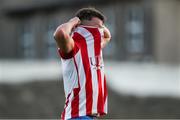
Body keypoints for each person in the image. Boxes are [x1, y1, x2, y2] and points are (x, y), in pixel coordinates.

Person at [54, 7, 111, 120]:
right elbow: (60, 34)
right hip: (77, 116)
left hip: (90, 116)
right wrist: (73, 22)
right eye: (97, 29)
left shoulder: (94, 48)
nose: (100, 32)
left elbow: (107, 37)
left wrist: (102, 27)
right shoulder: (74, 46)